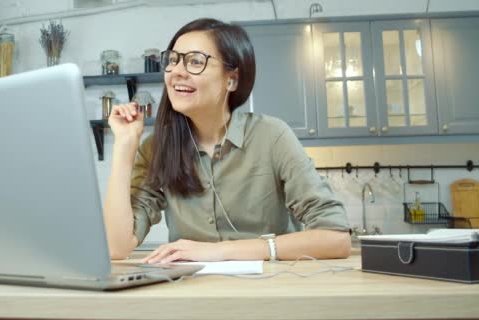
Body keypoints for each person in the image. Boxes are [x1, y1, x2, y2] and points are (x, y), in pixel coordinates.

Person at [103, 18, 351, 264]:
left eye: (195, 62)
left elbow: (335, 238)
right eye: (173, 60)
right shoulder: (156, 147)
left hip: (270, 290)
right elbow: (117, 247)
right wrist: (124, 145)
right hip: (190, 293)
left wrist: (222, 250)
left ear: (231, 79)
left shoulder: (272, 136)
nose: (177, 71)